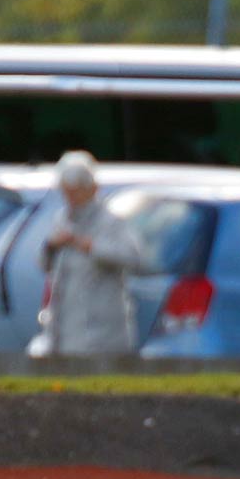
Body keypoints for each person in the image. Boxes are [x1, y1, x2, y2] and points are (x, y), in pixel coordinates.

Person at [32, 150, 142, 357]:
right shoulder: (61, 219)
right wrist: (51, 245)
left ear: (92, 189)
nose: (71, 199)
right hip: (64, 331)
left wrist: (91, 246)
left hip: (103, 334)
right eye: (66, 192)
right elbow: (42, 263)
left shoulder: (111, 222)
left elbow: (133, 257)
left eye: (76, 192)